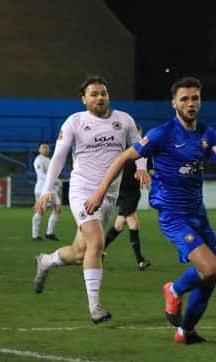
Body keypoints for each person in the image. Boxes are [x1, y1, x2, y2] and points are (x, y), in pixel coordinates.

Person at [84, 76, 216, 344]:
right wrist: (100, 191)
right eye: (184, 99)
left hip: (198, 213)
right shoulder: (164, 133)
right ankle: (173, 290)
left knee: (211, 277)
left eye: (195, 98)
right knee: (209, 268)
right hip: (173, 215)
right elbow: (125, 156)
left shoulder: (208, 134)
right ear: (174, 103)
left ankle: (186, 331)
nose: (190, 103)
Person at [33, 75, 150, 324]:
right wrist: (45, 189)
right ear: (83, 99)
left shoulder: (124, 120)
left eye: (103, 93)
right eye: (94, 94)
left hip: (109, 195)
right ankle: (95, 307)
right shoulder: (75, 122)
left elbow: (139, 147)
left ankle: (46, 261)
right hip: (82, 191)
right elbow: (58, 158)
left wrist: (141, 166)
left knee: (80, 253)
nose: (100, 97)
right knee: (97, 242)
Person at [103, 124, 151, 271]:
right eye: (137, 134)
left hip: (133, 192)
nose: (139, 137)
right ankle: (140, 261)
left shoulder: (141, 153)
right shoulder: (122, 150)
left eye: (140, 134)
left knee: (118, 226)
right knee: (134, 224)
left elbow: (144, 168)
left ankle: (98, 250)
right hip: (124, 193)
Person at [32, 142, 61, 241]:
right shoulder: (38, 160)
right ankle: (35, 235)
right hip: (42, 189)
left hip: (50, 189)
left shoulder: (49, 160)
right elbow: (40, 174)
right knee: (41, 210)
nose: (46, 149)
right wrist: (54, 181)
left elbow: (51, 173)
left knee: (57, 208)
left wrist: (56, 182)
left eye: (47, 148)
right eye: (43, 147)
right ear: (39, 150)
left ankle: (49, 233)